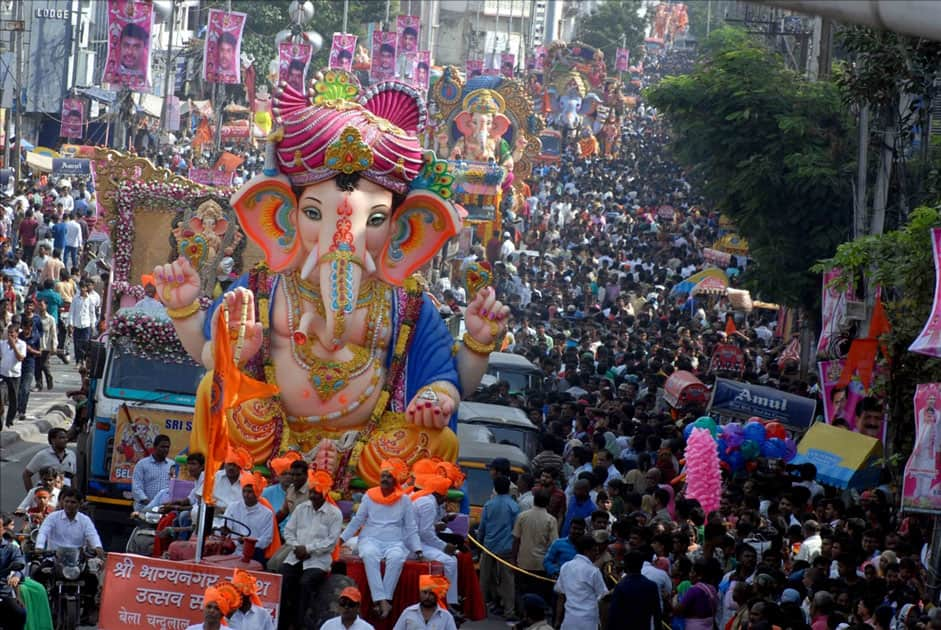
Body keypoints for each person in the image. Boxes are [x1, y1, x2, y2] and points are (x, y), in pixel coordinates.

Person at [340, 459, 421, 619]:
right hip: (370, 539)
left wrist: (418, 549)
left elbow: (411, 527)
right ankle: (383, 601)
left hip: (395, 542)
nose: (385, 479)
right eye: (383, 476)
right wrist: (342, 539)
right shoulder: (369, 496)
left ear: (395, 480)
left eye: (389, 477)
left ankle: (383, 600)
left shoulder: (404, 500)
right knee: (369, 555)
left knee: (397, 558)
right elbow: (357, 521)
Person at [280, 471, 342, 630]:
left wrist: (308, 549)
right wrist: (296, 547)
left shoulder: (334, 514)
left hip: (318, 560)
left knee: (305, 583)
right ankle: (282, 622)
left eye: (317, 493)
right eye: (311, 492)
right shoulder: (301, 509)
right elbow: (288, 531)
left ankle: (301, 623)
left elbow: (331, 542)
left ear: (325, 493)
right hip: (295, 556)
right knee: (283, 579)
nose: (313, 495)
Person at [411, 473, 460, 610]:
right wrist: (444, 546)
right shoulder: (428, 504)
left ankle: (451, 600)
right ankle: (449, 604)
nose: (446, 499)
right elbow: (425, 532)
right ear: (438, 495)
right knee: (450, 561)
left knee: (453, 559)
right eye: (444, 495)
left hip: (420, 541)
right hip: (414, 545)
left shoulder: (428, 501)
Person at [477, 475, 520, 621]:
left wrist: (479, 543)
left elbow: (482, 527)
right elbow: (516, 530)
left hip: (489, 547)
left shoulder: (489, 505)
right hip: (507, 548)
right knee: (508, 581)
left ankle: (480, 608)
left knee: (484, 579)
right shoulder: (514, 506)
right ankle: (509, 611)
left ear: (494, 488)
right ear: (508, 488)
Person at [512, 490, 558, 605]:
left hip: (523, 561)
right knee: (538, 594)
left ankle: (522, 614)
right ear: (548, 503)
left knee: (522, 591)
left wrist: (513, 559)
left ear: (534, 501)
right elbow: (554, 544)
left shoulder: (522, 516)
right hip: (541, 564)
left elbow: (516, 539)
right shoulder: (551, 520)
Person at [554, 534, 608, 630]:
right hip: (588, 622)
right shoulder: (593, 571)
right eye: (595, 550)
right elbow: (603, 599)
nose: (596, 554)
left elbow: (561, 596)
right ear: (587, 551)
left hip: (569, 621)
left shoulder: (566, 567)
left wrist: (558, 621)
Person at [223, 476, 276, 566]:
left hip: (254, 554)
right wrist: (224, 530)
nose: (246, 495)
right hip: (232, 550)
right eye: (244, 491)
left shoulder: (267, 513)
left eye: (250, 492)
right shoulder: (233, 507)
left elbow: (266, 540)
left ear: (257, 493)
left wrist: (248, 543)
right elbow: (226, 525)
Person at [607, 550, 662, 630]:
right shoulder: (651, 586)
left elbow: (613, 614)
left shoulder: (621, 586)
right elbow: (657, 614)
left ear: (626, 565)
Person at [391, 575, 458, 630]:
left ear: (437, 595)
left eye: (431, 593)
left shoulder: (446, 617)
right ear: (420, 593)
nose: (427, 597)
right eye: (424, 592)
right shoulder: (408, 612)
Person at [131, 434, 172, 512]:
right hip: (144, 509)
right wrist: (151, 504)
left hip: (164, 510)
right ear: (155, 447)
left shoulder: (172, 465)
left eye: (167, 447)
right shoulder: (142, 464)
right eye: (163, 447)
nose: (165, 450)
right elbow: (136, 488)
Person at [0, 519, 26, 630]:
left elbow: (20, 564)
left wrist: (16, 575)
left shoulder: (11, 548)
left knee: (19, 613)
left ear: (2, 530)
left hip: (3, 592)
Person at [0, 323, 25, 428]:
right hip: (3, 375)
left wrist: (14, 346)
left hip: (15, 376)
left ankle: (9, 419)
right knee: (0, 399)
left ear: (16, 334)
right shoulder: (2, 344)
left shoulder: (22, 344)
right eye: (8, 333)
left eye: (12, 333)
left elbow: (20, 358)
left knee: (13, 399)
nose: (10, 335)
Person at [68, 281, 96, 366]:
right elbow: (71, 312)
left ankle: (83, 360)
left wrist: (92, 324)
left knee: (85, 343)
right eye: (81, 287)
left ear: (86, 288)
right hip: (77, 324)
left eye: (84, 287)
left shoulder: (90, 299)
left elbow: (92, 312)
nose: (82, 289)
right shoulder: (75, 299)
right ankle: (78, 361)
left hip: (86, 324)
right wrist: (70, 324)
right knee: (77, 344)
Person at [35, 297, 56, 391]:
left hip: (45, 346)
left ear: (46, 306)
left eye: (42, 305)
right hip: (35, 346)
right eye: (39, 305)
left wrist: (54, 346)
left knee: (44, 365)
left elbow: (54, 333)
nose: (40, 307)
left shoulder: (50, 319)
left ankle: (49, 378)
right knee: (37, 366)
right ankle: (39, 385)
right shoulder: (35, 318)